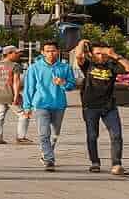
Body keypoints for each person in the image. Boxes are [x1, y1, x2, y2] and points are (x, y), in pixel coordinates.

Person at [74, 39, 129, 175]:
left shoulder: (112, 64)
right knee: (92, 135)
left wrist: (114, 55)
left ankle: (116, 164)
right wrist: (82, 43)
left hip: (109, 106)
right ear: (92, 54)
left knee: (116, 135)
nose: (101, 57)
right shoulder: (88, 64)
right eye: (98, 53)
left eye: (104, 54)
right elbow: (78, 55)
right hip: (90, 106)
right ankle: (95, 162)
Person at [22, 40, 76, 171]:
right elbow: (29, 88)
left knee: (55, 134)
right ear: (42, 52)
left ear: (57, 51)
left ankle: (47, 153)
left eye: (53, 51)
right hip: (41, 104)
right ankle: (49, 159)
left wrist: (63, 83)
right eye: (47, 51)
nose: (50, 53)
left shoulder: (65, 68)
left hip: (59, 105)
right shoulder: (34, 68)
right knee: (44, 133)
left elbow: (71, 85)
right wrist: (27, 107)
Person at [0, 46, 29, 145]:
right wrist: (16, 96)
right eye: (16, 53)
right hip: (10, 95)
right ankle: (21, 137)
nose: (17, 55)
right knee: (23, 115)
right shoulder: (15, 65)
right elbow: (16, 82)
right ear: (9, 54)